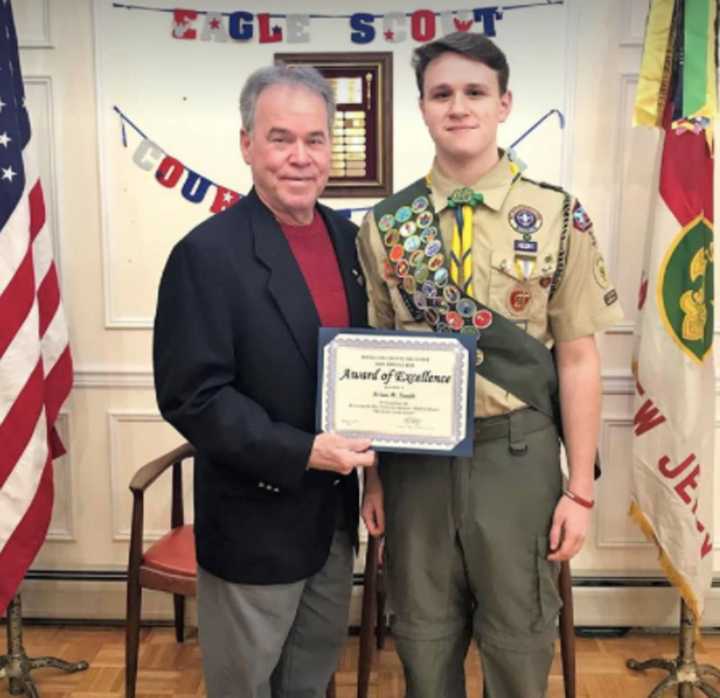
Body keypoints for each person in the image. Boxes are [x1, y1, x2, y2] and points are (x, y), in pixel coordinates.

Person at [357, 32, 623, 698]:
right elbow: (377, 360)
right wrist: (376, 479)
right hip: (416, 462)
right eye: (441, 94)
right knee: (421, 637)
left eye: (475, 92)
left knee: (519, 638)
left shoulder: (558, 215)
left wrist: (581, 489)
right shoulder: (388, 227)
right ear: (421, 108)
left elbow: (580, 357)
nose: (458, 107)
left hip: (518, 455)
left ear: (504, 103)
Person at [153, 64, 376, 698]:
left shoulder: (350, 241)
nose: (300, 157)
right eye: (281, 139)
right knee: (245, 688)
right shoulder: (207, 252)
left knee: (308, 683)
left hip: (334, 522)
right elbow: (193, 395)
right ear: (247, 144)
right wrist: (303, 451)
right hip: (254, 525)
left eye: (315, 140)